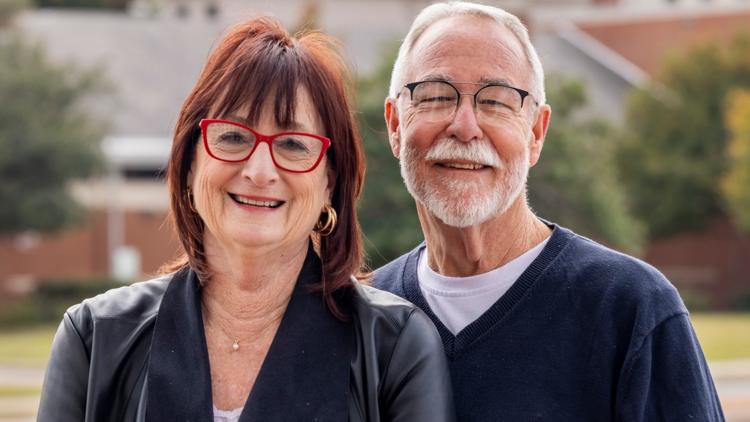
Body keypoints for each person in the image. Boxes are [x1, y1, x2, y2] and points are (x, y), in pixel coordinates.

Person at [37, 16, 454, 422]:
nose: (259, 171)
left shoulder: (395, 348)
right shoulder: (94, 338)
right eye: (233, 137)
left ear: (330, 181)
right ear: (189, 165)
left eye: (293, 144)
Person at [373, 1, 725, 421]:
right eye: (435, 96)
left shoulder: (630, 309)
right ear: (395, 125)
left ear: (536, 133)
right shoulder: (362, 316)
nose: (465, 126)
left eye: (496, 101)